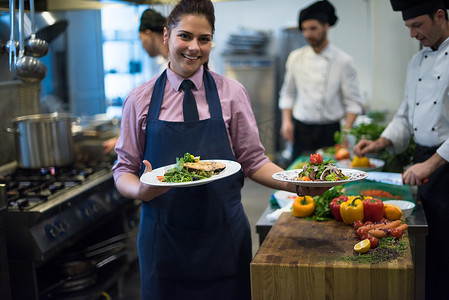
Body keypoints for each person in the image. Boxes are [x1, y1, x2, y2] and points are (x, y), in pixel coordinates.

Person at [112, 0, 328, 299]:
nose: (194, 47)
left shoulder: (231, 93)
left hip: (223, 237)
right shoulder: (139, 99)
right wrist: (139, 191)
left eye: (204, 39)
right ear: (166, 36)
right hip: (163, 242)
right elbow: (123, 169)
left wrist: (298, 184)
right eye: (185, 36)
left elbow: (253, 161)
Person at [353, 1, 449, 298]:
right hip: (424, 160)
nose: (412, 34)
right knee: (429, 243)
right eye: (408, 27)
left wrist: (431, 164)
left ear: (440, 16)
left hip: (444, 164)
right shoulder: (417, 61)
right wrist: (380, 142)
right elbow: (405, 114)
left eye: (417, 25)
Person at [278, 0, 364, 163]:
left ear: (326, 27)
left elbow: (353, 103)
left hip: (331, 133)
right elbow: (287, 93)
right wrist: (286, 121)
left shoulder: (343, 61)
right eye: (304, 29)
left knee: (330, 178)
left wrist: (346, 132)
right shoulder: (295, 57)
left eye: (313, 28)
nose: (308, 34)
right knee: (299, 176)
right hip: (301, 131)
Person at [103, 8, 168, 154]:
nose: (141, 45)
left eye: (140, 39)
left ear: (148, 34)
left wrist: (123, 140)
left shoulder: (173, 67)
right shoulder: (162, 65)